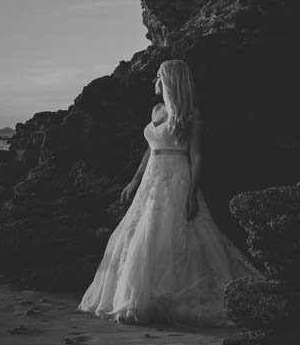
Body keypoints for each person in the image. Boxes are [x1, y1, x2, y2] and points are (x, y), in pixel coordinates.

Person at [78, 59, 263, 326]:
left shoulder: (191, 114)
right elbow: (150, 148)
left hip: (177, 175)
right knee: (145, 232)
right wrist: (134, 180)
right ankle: (141, 297)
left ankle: (170, 299)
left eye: (158, 77)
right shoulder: (156, 109)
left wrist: (191, 193)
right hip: (152, 177)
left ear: (170, 81)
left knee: (178, 231)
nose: (154, 82)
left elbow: (197, 156)